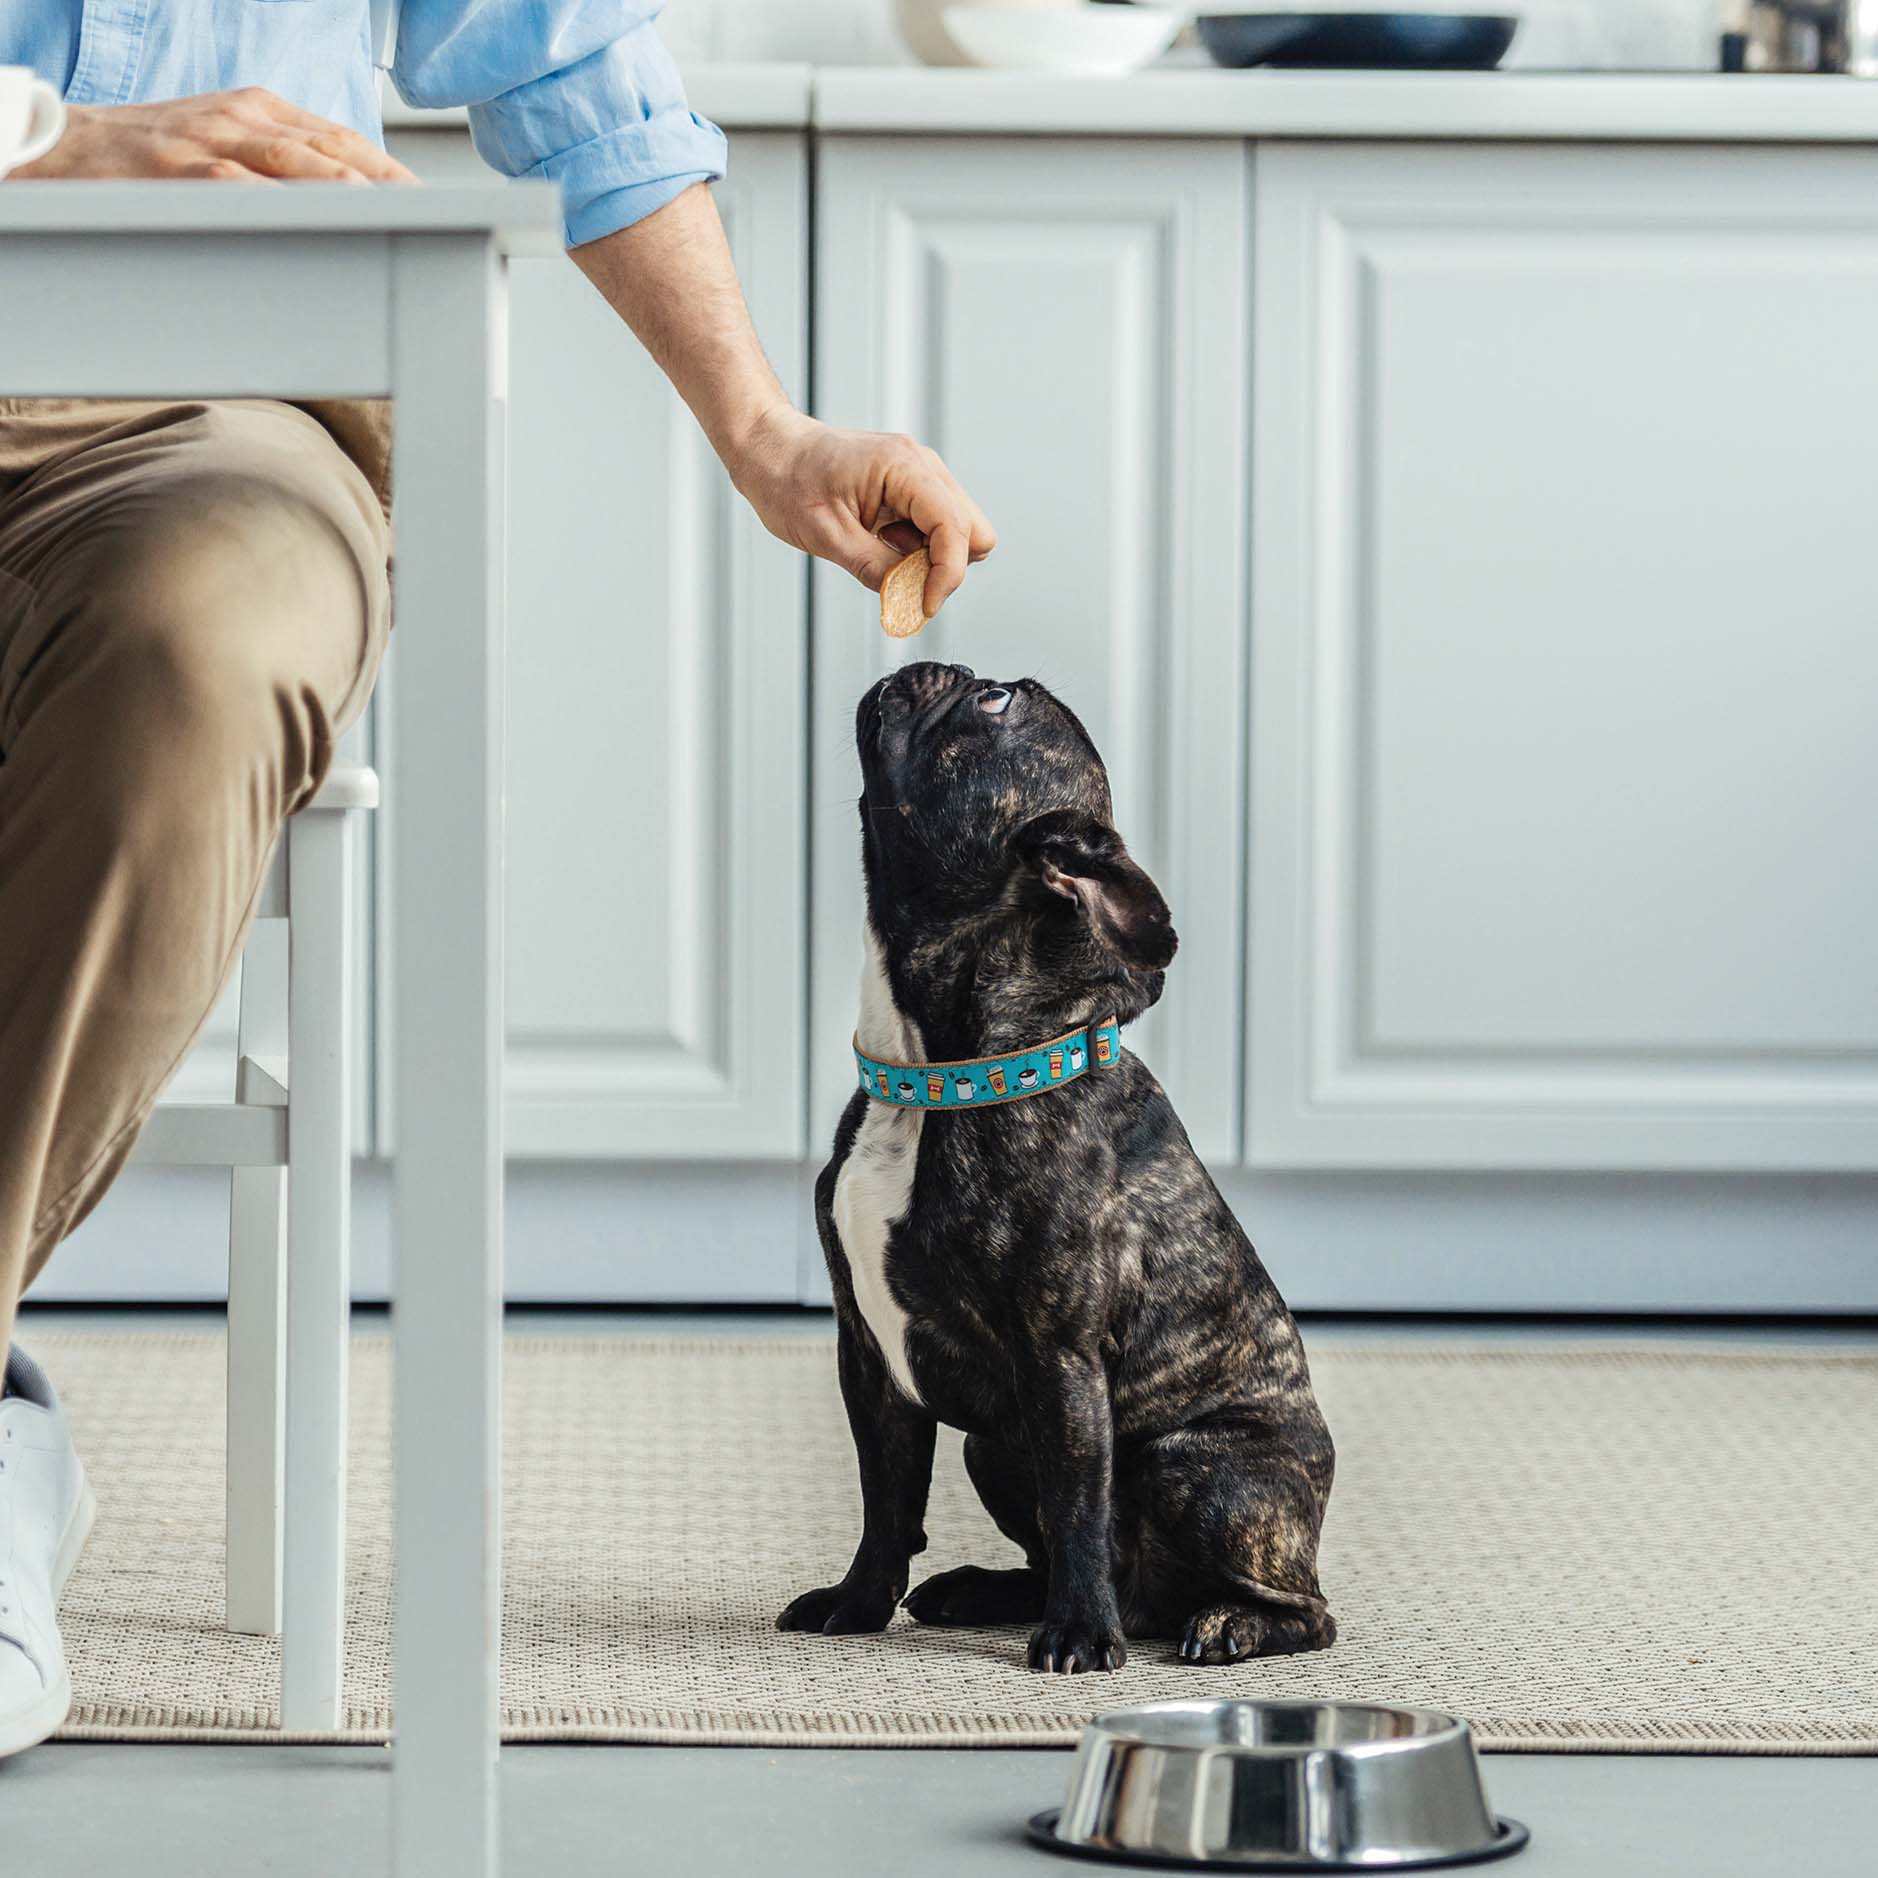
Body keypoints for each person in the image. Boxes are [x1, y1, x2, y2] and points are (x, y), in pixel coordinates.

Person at [0, 2, 997, 1760]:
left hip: (216, 408)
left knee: (199, 643)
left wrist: (765, 429)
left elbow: (561, 56)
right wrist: (30, 138)